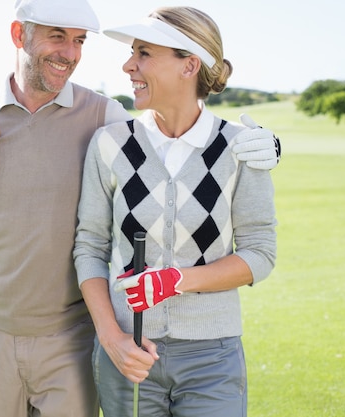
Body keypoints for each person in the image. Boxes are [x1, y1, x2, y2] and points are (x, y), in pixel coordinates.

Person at [0, 0, 280, 416]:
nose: (70, 53)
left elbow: (177, 135)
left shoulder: (104, 116)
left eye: (79, 41)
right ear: (19, 36)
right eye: (57, 37)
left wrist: (268, 147)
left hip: (79, 336)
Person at [73, 6, 277, 417]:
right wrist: (112, 338)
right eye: (133, 53)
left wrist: (177, 280)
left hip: (212, 359)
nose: (128, 65)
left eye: (144, 53)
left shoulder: (242, 148)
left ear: (189, 65)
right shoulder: (110, 143)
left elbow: (259, 254)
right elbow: (90, 248)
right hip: (128, 354)